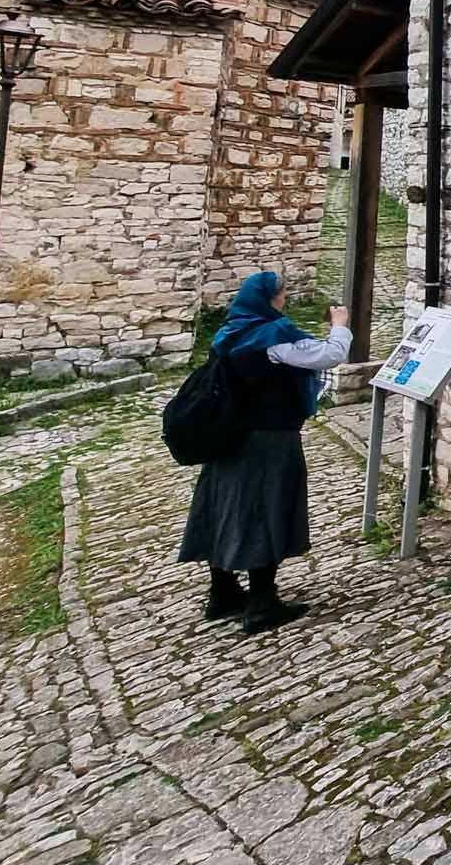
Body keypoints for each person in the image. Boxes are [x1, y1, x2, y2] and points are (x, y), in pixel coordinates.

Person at [178, 270, 350, 634]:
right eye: (282, 293)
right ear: (270, 298)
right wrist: (340, 324)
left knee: (225, 511)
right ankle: (261, 602)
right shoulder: (271, 337)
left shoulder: (230, 332)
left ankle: (223, 591)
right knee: (264, 511)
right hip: (267, 440)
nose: (285, 299)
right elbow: (330, 356)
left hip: (229, 438)